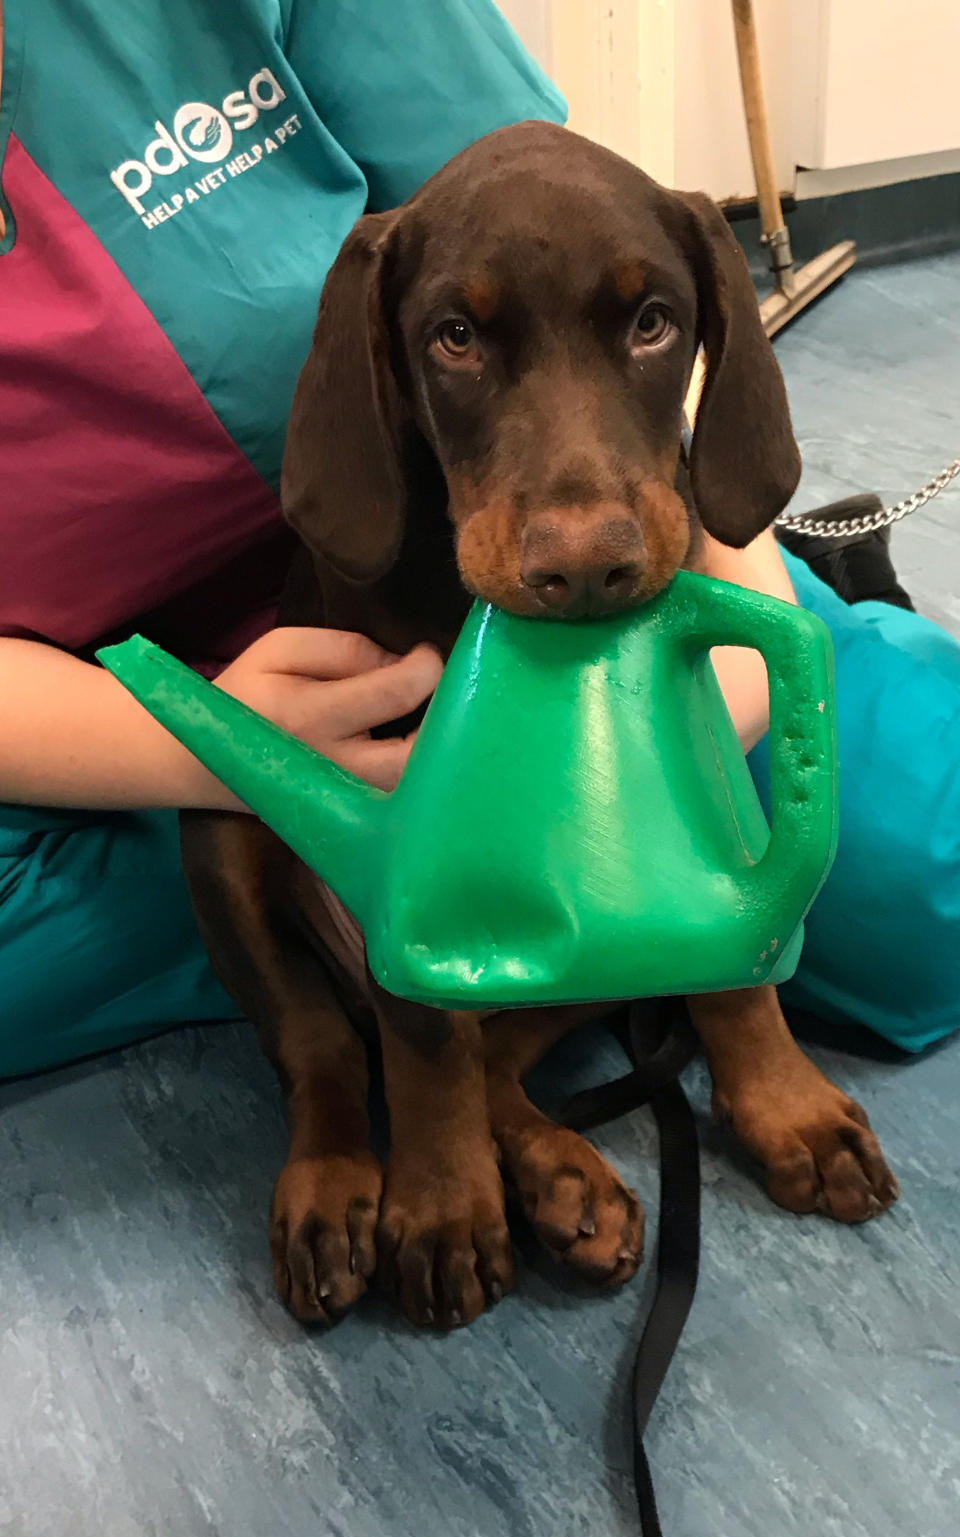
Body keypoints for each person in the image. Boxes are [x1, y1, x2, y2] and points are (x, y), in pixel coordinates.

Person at [0, 0, 957, 1080]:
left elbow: (565, 241)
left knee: (928, 875)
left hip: (549, 575)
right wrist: (223, 754)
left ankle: (486, 936)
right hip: (112, 694)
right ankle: (438, 937)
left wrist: (723, 617)